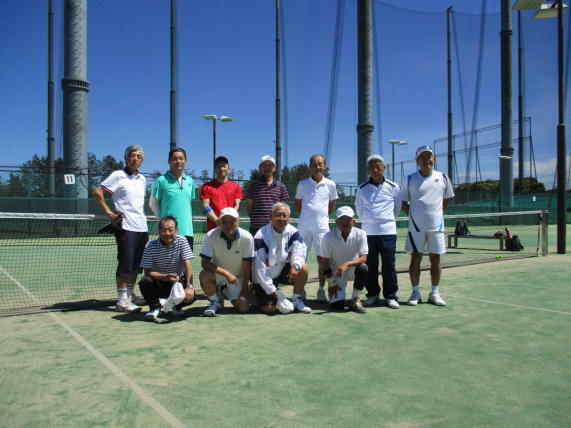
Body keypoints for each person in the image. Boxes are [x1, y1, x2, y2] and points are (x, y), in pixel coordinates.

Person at [93, 145, 148, 313]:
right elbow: (97, 192)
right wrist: (109, 213)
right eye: (132, 155)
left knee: (137, 265)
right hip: (126, 227)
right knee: (125, 263)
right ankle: (122, 300)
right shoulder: (118, 175)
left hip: (142, 227)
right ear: (126, 158)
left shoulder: (142, 179)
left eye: (139, 156)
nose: (135, 159)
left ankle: (130, 295)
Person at [402, 145, 455, 306]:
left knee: (435, 259)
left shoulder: (443, 177)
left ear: (434, 159)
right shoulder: (410, 179)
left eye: (429, 157)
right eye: (422, 157)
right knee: (415, 258)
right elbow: (403, 203)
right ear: (417, 161)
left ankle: (435, 293)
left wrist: (435, 217)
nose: (426, 160)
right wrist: (415, 218)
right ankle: (415, 293)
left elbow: (446, 201)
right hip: (415, 228)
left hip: (436, 227)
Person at [355, 154, 402, 309]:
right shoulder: (362, 189)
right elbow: (359, 209)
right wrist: (370, 222)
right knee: (370, 265)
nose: (375, 170)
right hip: (368, 233)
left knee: (389, 265)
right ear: (368, 170)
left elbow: (396, 209)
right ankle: (373, 295)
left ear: (384, 168)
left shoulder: (393, 187)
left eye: (378, 167)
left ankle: (391, 296)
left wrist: (386, 221)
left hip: (388, 232)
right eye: (372, 168)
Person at [252, 202, 311, 314]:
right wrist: (277, 294)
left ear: (289, 218)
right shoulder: (260, 235)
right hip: (264, 277)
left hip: (282, 272)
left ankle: (296, 299)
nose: (281, 218)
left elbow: (300, 251)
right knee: (270, 309)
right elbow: (260, 269)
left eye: (284, 215)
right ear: (271, 216)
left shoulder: (293, 232)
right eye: (278, 215)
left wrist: (295, 266)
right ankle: (254, 291)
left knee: (303, 267)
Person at [295, 154, 338, 303]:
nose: (317, 167)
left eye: (320, 164)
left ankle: (321, 290)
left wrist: (321, 218)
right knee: (300, 258)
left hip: (322, 228)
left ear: (324, 166)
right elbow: (298, 203)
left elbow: (332, 205)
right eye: (314, 164)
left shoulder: (331, 184)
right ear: (310, 167)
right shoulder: (302, 184)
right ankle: (300, 290)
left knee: (323, 260)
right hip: (304, 228)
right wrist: (307, 217)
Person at [198, 207, 254, 316]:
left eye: (232, 222)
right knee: (204, 275)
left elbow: (247, 265)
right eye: (224, 222)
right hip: (218, 274)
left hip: (238, 277)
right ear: (220, 222)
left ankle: (224, 290)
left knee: (243, 308)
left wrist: (244, 290)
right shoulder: (211, 235)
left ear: (238, 222)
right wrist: (226, 273)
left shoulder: (247, 237)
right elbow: (204, 262)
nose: (228, 225)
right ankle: (216, 301)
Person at [138, 216, 195, 320]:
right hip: (159, 284)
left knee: (192, 295)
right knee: (145, 281)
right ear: (159, 232)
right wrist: (165, 276)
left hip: (177, 283)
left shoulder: (182, 241)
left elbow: (187, 264)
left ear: (176, 230)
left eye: (170, 230)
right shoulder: (150, 246)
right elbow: (147, 272)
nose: (167, 233)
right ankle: (155, 307)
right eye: (164, 230)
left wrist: (189, 286)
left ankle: (176, 306)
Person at [320, 206, 368, 313]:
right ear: (336, 222)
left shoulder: (361, 234)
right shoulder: (327, 237)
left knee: (363, 268)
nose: (345, 223)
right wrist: (331, 284)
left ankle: (355, 298)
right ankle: (339, 292)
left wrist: (347, 264)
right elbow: (325, 262)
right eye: (342, 219)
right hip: (336, 274)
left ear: (354, 221)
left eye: (348, 219)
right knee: (337, 306)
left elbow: (363, 258)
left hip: (353, 270)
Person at [150, 148, 196, 250]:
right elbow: (152, 203)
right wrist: (164, 223)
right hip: (168, 233)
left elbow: (188, 204)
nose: (178, 161)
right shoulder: (160, 180)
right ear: (169, 161)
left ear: (185, 161)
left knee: (186, 261)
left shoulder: (190, 181)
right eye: (175, 159)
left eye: (181, 158)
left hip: (188, 232)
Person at [245, 155, 289, 236]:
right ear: (260, 168)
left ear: (274, 168)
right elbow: (249, 208)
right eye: (264, 165)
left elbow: (283, 209)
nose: (267, 168)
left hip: (275, 228)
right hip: (256, 229)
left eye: (270, 165)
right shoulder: (253, 186)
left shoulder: (281, 187)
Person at [200, 155, 242, 232]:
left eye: (224, 166)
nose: (221, 169)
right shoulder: (206, 187)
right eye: (219, 166)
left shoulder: (236, 187)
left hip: (231, 229)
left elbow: (237, 206)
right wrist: (217, 220)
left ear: (228, 169)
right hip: (213, 229)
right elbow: (206, 206)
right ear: (215, 169)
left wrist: (228, 220)